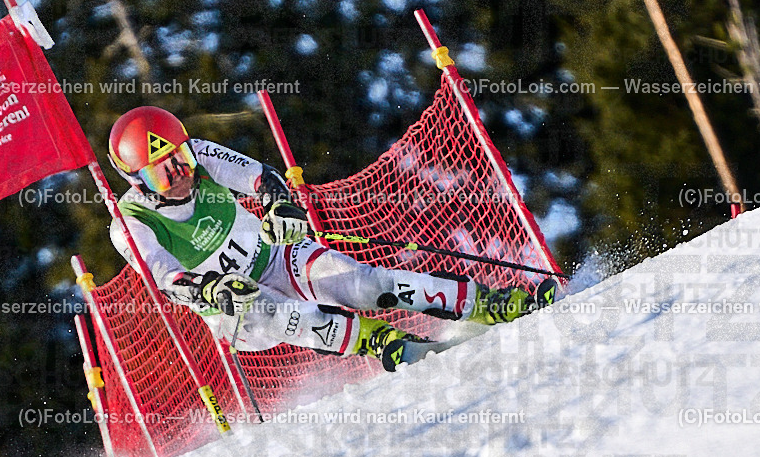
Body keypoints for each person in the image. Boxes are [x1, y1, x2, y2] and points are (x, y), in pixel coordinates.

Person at [107, 106, 555, 372]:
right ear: (138, 181)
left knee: (363, 283)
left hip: (273, 255)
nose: (180, 172)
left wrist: (280, 206)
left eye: (180, 156)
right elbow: (162, 274)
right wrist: (207, 287)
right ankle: (379, 343)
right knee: (277, 313)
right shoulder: (129, 221)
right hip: (230, 306)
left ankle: (491, 304)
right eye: (161, 170)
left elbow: (260, 176)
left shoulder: (201, 156)